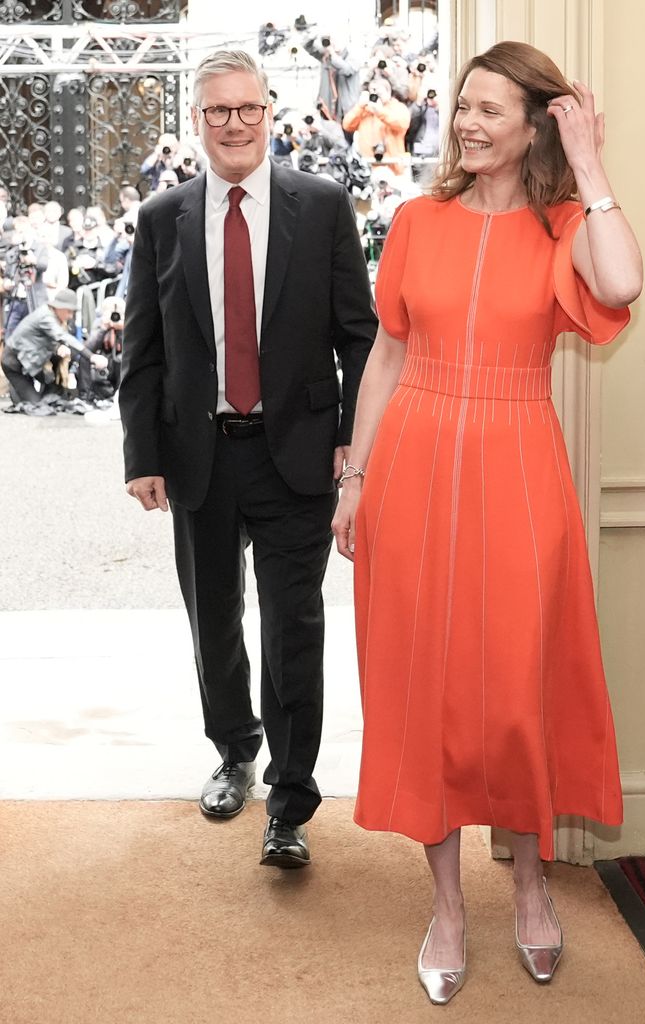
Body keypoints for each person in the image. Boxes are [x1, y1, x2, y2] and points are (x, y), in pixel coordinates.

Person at [332, 40, 642, 1004]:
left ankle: (530, 886)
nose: (466, 122)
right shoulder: (415, 220)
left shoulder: (563, 229)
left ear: (535, 124)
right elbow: (385, 357)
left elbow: (623, 284)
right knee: (425, 686)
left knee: (516, 688)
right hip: (414, 467)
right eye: (460, 105)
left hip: (517, 469)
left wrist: (589, 166)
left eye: (489, 110)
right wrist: (354, 479)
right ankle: (447, 906)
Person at [120, 49, 376, 868]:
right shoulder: (163, 217)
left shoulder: (323, 204)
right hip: (199, 455)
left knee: (293, 626)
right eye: (217, 112)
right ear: (197, 122)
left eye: (248, 109)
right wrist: (141, 453)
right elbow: (144, 349)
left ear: (271, 112)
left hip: (296, 455)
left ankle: (291, 803)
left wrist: (350, 437)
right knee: (214, 620)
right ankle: (235, 751)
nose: (234, 124)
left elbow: (358, 337)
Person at [1, 288, 107, 412]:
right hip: (15, 363)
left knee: (68, 355)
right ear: (59, 307)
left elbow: (48, 340)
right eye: (69, 312)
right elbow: (63, 336)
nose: (70, 316)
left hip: (31, 361)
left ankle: (51, 392)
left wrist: (58, 347)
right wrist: (92, 356)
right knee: (36, 406)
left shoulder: (56, 318)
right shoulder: (45, 316)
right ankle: (24, 392)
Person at [342, 78, 411, 173]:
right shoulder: (364, 109)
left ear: (388, 92)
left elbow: (402, 124)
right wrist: (359, 106)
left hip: (392, 167)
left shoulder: (397, 107)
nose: (376, 95)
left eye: (379, 92)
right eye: (373, 92)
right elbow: (347, 125)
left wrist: (380, 111)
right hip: (367, 167)